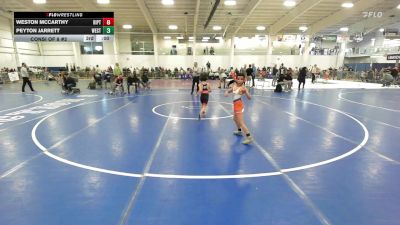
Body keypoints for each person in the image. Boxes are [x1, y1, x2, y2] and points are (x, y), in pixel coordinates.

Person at [224, 73, 253, 144]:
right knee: (234, 119)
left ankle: (249, 137)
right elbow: (229, 90)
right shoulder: (234, 85)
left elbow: (249, 98)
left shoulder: (243, 88)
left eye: (241, 79)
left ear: (244, 80)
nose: (239, 80)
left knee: (241, 122)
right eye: (238, 78)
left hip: (239, 105)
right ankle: (239, 131)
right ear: (236, 79)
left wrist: (246, 91)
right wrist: (226, 92)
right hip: (235, 105)